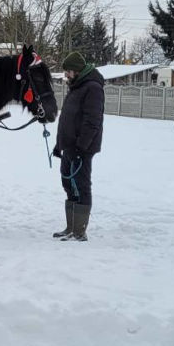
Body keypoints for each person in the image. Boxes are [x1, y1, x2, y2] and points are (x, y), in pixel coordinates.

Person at [52, 51, 105, 242]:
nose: (66, 75)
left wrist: (81, 148)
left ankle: (80, 231)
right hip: (69, 146)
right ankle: (71, 227)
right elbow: (67, 118)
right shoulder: (76, 86)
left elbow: (93, 121)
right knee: (68, 183)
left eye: (68, 71)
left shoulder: (92, 88)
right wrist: (60, 145)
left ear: (77, 69)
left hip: (82, 148)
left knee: (81, 185)